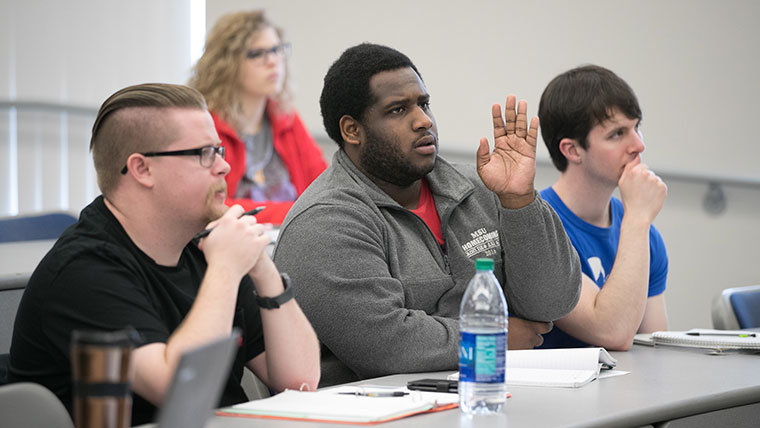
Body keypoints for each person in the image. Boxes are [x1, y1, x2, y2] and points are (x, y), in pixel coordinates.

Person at [8, 83, 320, 425]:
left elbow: (299, 380)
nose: (223, 168)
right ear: (142, 169)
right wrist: (227, 269)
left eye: (219, 150)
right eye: (204, 153)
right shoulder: (83, 270)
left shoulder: (206, 246)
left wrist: (263, 269)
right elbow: (177, 390)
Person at [272, 43, 582, 386]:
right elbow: (384, 344)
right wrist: (491, 340)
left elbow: (553, 302)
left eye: (424, 103)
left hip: (487, 395)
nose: (423, 120)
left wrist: (519, 201)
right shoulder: (325, 222)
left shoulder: (482, 188)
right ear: (352, 130)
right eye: (397, 110)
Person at [536, 65, 669, 350]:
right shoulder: (537, 227)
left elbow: (655, 349)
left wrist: (637, 221)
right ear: (572, 150)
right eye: (617, 134)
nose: (638, 145)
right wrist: (637, 218)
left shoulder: (643, 230)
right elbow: (614, 334)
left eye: (637, 128)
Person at [189, 10, 327, 225]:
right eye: (257, 54)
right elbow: (211, 205)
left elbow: (325, 190)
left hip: (293, 237)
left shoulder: (287, 119)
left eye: (276, 50)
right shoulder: (207, 125)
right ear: (227, 64)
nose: (272, 61)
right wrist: (298, 214)